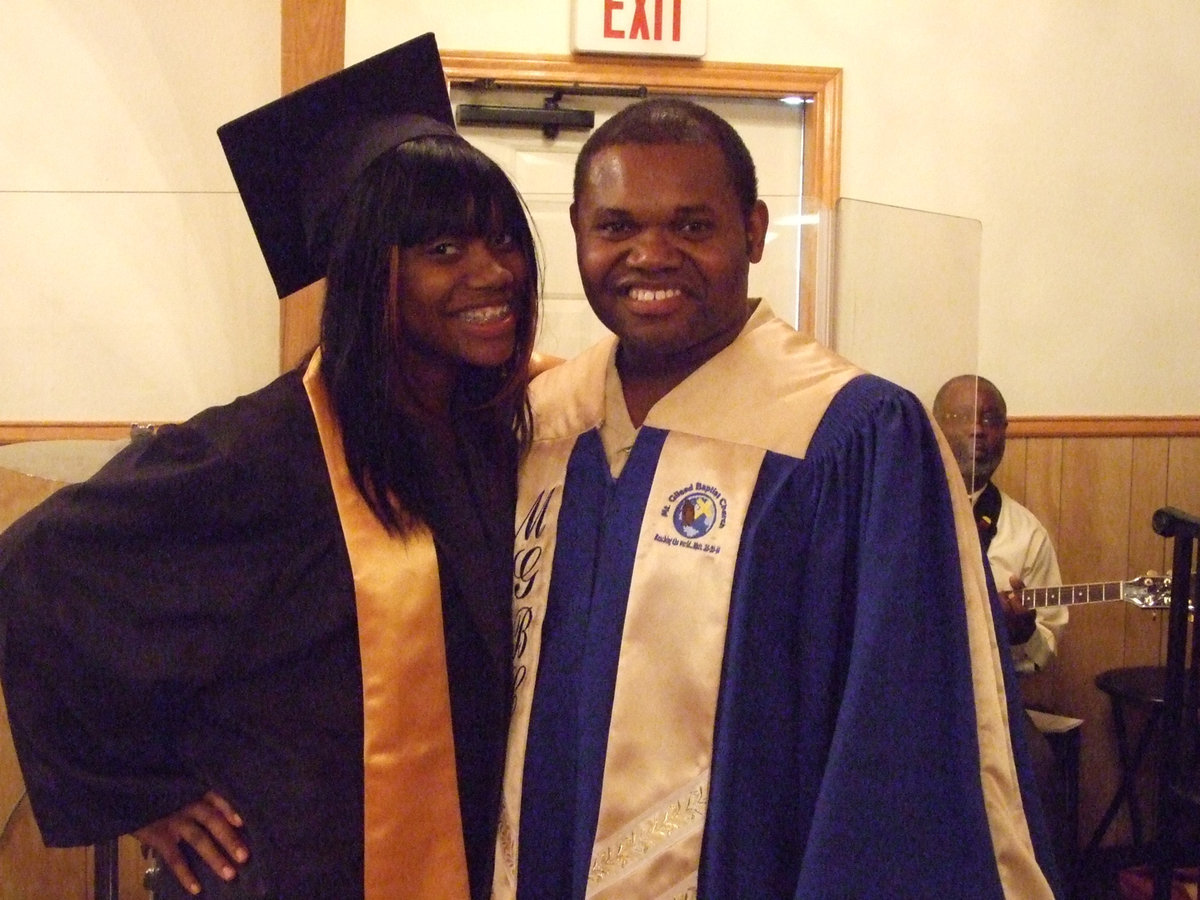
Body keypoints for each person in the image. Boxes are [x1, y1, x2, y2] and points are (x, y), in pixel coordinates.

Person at [0, 34, 538, 899]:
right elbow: (34, 567)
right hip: (298, 869)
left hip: (463, 853)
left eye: (505, 240)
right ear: (372, 271)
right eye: (445, 250)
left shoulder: (493, 427)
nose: (495, 272)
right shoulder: (263, 449)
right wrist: (138, 794)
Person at [493, 98, 1060, 898]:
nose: (650, 256)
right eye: (616, 227)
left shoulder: (851, 436)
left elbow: (897, 742)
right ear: (580, 233)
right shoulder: (545, 424)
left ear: (754, 232)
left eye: (692, 227)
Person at [933, 374, 1066, 672]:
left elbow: (1044, 653)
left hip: (995, 704)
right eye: (961, 416)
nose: (978, 429)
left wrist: (1023, 635)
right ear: (935, 427)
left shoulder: (1027, 534)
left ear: (1005, 432)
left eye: (990, 419)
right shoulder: (897, 511)